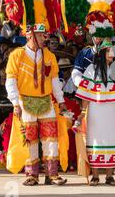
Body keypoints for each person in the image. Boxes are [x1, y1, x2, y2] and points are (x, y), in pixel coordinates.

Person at [5, 23, 68, 186]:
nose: (44, 38)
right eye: (40, 35)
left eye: (44, 35)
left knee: (51, 139)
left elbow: (55, 81)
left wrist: (61, 101)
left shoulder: (49, 56)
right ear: (30, 35)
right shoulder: (16, 55)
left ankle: (52, 174)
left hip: (46, 101)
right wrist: (15, 102)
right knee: (29, 139)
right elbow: (10, 81)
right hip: (25, 102)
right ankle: (31, 175)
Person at [75, 38, 115, 186]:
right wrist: (82, 111)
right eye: (108, 51)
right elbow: (85, 93)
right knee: (95, 140)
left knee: (113, 139)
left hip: (112, 111)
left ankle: (109, 176)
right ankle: (95, 176)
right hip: (96, 111)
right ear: (101, 53)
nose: (112, 53)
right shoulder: (91, 70)